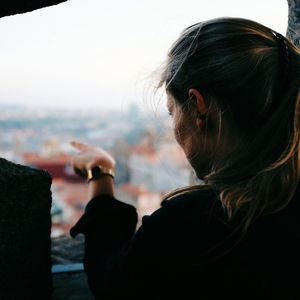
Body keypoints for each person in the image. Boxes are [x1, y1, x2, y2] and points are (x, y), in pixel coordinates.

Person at [70, 17, 300, 299]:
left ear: (197, 106)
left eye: (172, 112)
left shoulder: (198, 225)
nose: (174, 127)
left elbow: (112, 282)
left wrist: (100, 173)